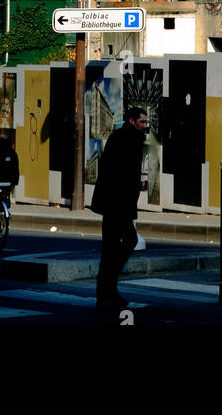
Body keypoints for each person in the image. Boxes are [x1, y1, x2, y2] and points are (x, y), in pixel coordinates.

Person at [90, 106, 149, 311]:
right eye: (142, 122)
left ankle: (107, 291)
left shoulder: (130, 139)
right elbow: (116, 173)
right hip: (115, 203)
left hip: (118, 203)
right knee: (123, 243)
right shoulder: (124, 139)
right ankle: (106, 290)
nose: (145, 126)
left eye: (146, 122)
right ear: (132, 121)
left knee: (112, 249)